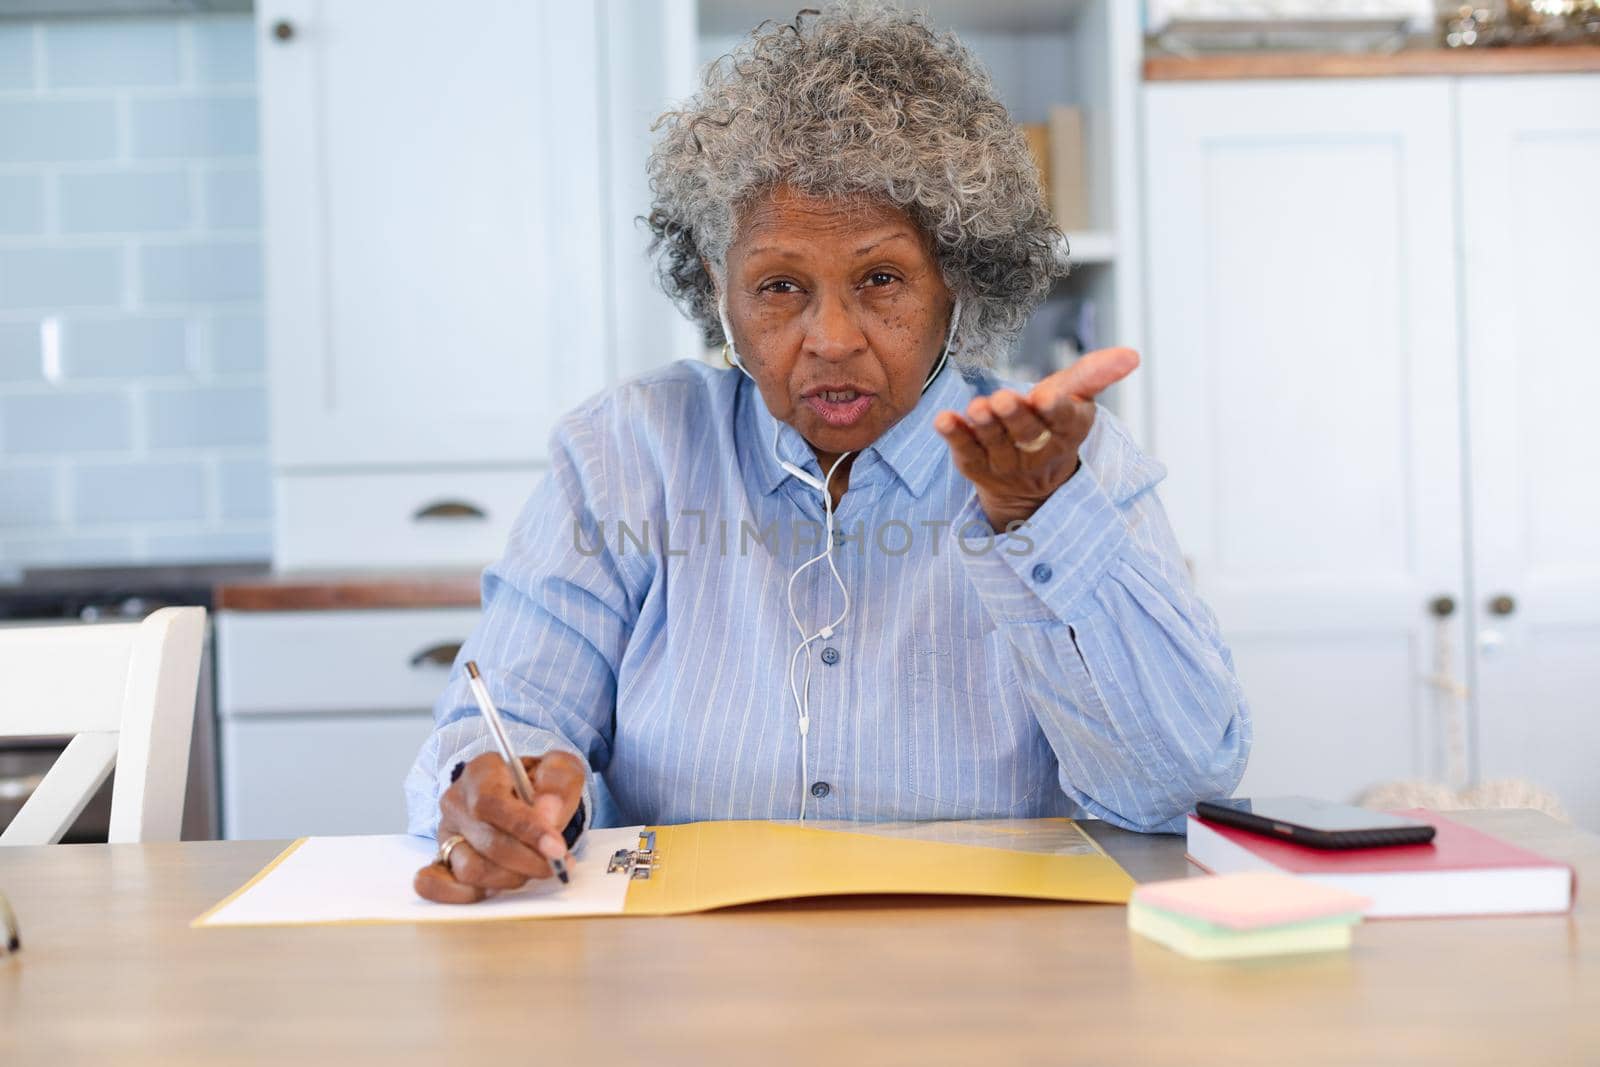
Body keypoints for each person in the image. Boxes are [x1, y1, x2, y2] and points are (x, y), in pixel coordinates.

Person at [408, 5, 1250, 903]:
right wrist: (500, 795)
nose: (833, 338)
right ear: (716, 291)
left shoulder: (1061, 463)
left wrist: (1041, 519)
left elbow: (1178, 793)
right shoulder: (628, 451)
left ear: (956, 280)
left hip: (995, 987)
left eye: (880, 279)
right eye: (780, 287)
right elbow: (509, 723)